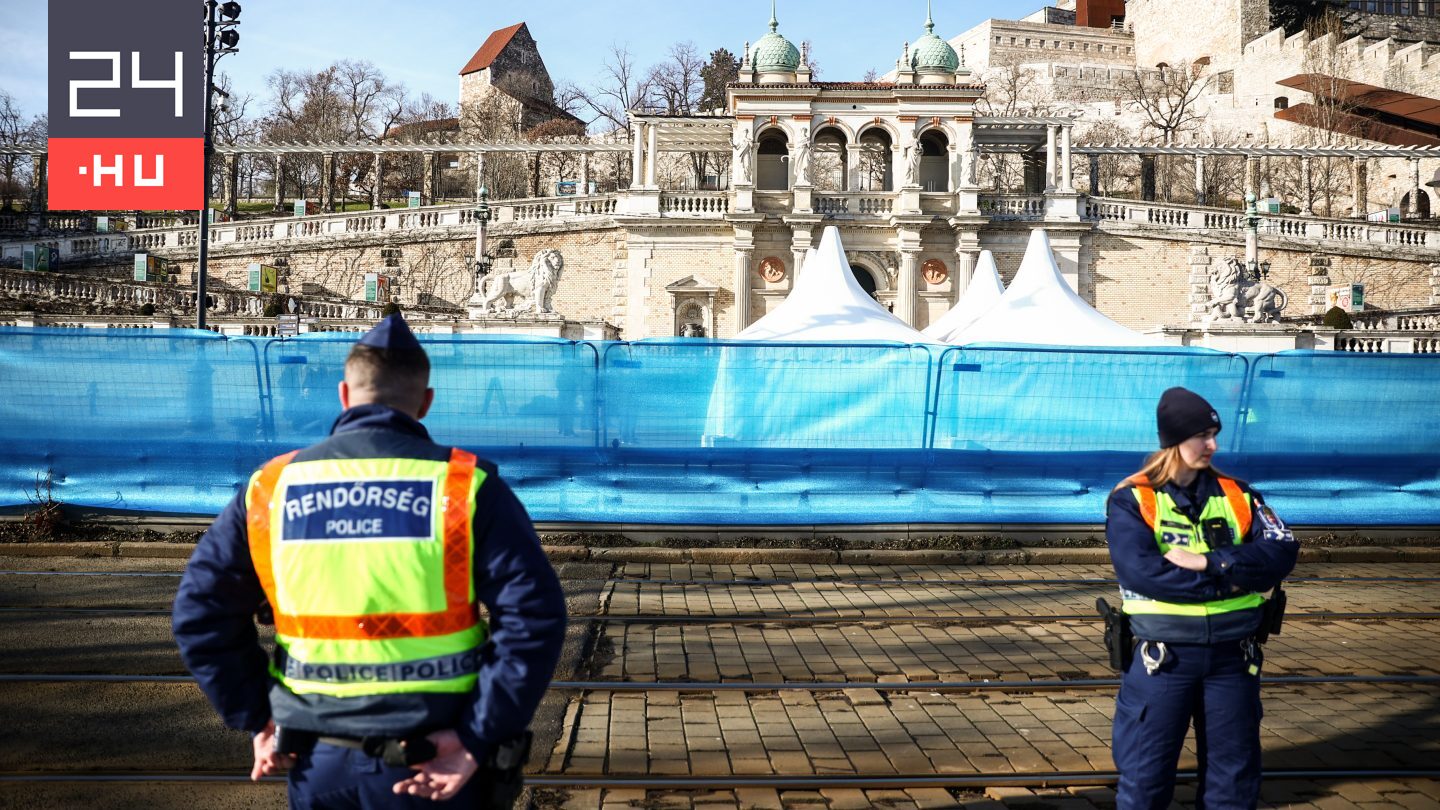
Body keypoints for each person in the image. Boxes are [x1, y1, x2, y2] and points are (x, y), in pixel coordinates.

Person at [173, 314, 567, 808]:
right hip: (432, 759)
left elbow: (199, 613)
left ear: (344, 395)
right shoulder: (465, 486)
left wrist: (258, 715)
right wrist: (476, 734)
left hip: (317, 760)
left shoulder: (272, 488)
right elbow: (534, 616)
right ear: (425, 403)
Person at [1104, 386, 1298, 810]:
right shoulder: (1133, 499)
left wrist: (1212, 564)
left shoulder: (1239, 494)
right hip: (1164, 662)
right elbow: (1144, 573)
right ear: (1174, 440)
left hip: (1234, 659)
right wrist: (1237, 578)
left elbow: (1282, 550)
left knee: (1234, 783)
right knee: (1145, 781)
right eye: (1201, 435)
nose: (1212, 444)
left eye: (1214, 433)